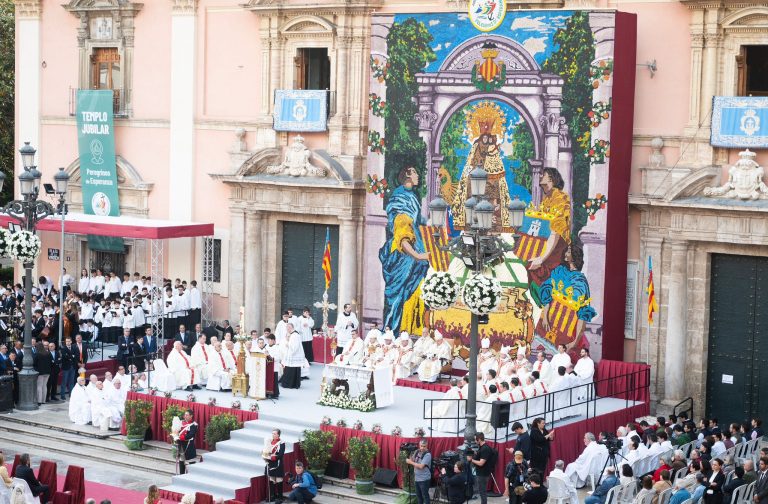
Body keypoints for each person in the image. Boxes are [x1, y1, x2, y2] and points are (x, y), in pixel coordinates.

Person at [469, 432, 495, 504]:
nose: (475, 441)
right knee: (482, 491)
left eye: (475, 439)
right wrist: (475, 453)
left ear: (479, 439)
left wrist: (471, 460)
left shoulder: (485, 449)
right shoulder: (482, 447)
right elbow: (481, 456)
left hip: (483, 474)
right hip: (482, 473)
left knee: (482, 492)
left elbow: (481, 463)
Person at [406, 439, 432, 504]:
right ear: (419, 445)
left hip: (424, 479)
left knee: (425, 496)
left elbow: (421, 466)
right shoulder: (417, 451)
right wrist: (410, 452)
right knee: (419, 496)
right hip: (417, 478)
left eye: (424, 446)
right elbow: (411, 459)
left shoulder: (428, 455)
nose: (422, 448)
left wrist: (410, 462)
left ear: (427, 446)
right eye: (421, 446)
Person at [280, 324, 305, 389]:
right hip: (293, 354)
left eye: (287, 328)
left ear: (290, 328)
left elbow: (295, 347)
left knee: (290, 369)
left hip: (294, 355)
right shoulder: (293, 334)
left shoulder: (295, 335)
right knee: (292, 369)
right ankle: (294, 384)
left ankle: (289, 384)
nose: (287, 330)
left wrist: (288, 345)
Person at [264, 429, 286, 504]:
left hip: (278, 463)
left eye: (274, 434)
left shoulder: (282, 443)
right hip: (270, 463)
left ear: (278, 435)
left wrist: (272, 457)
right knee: (271, 479)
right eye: (272, 433)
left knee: (279, 480)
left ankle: (280, 497)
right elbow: (266, 451)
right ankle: (272, 496)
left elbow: (281, 454)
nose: (273, 435)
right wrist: (265, 456)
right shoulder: (269, 441)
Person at [176, 409, 197, 474]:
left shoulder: (194, 425)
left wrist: (183, 437)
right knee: (181, 462)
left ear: (191, 416)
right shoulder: (181, 422)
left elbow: (191, 434)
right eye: (185, 415)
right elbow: (177, 431)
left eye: (187, 415)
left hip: (189, 447)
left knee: (190, 464)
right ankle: (181, 476)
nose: (185, 416)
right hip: (181, 445)